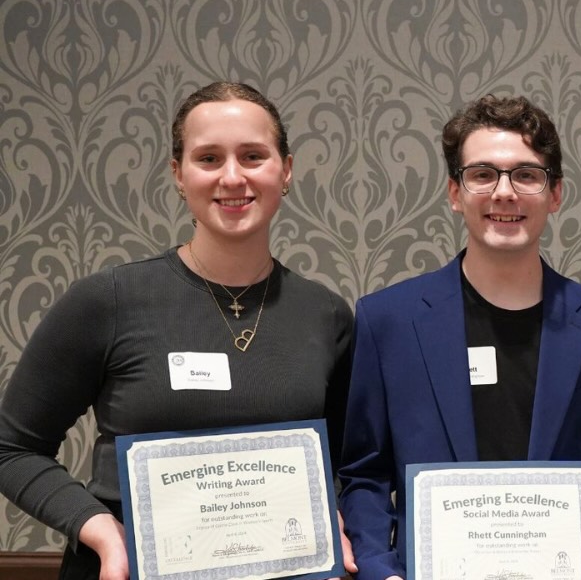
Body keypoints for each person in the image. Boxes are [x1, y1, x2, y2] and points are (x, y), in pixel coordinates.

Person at [0, 82, 355, 580]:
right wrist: (101, 530)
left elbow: (343, 461)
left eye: (253, 156)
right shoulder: (109, 300)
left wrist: (334, 514)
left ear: (287, 170)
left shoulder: (327, 314)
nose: (233, 177)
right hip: (132, 568)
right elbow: (11, 448)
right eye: (209, 158)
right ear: (178, 175)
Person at [337, 95, 581, 580]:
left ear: (555, 193)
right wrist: (381, 568)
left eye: (526, 174)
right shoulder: (388, 322)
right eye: (483, 174)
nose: (505, 192)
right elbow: (364, 474)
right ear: (456, 193)